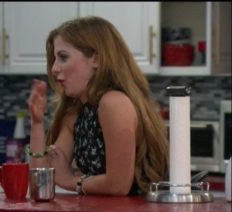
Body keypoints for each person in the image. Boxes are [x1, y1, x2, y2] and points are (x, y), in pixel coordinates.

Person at [26, 16, 168, 196]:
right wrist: (37, 122)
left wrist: (70, 181)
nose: (54, 68)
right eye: (54, 59)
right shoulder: (77, 112)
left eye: (63, 57)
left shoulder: (114, 103)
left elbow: (118, 185)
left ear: (96, 59)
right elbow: (42, 181)